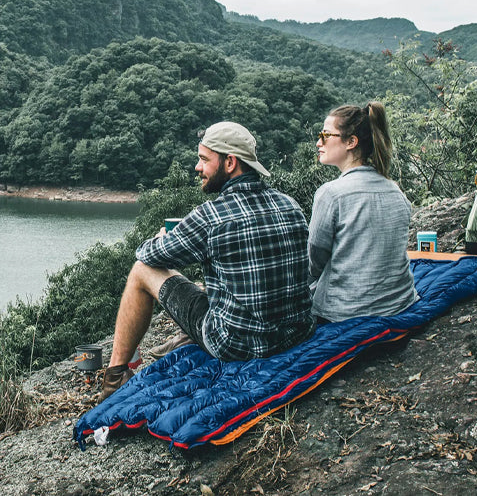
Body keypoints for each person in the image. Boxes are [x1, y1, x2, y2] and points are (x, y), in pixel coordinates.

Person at [100, 121, 316, 402]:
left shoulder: (210, 216)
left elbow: (148, 255)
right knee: (212, 286)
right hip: (295, 335)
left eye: (203, 159)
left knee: (141, 271)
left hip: (236, 345)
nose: (197, 167)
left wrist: (159, 238)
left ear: (230, 163)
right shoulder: (291, 205)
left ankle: (115, 377)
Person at [308, 103, 418, 323]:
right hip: (400, 303)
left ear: (351, 142)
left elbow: (314, 261)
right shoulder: (395, 190)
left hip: (345, 312)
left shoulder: (332, 194)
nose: (319, 142)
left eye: (326, 135)